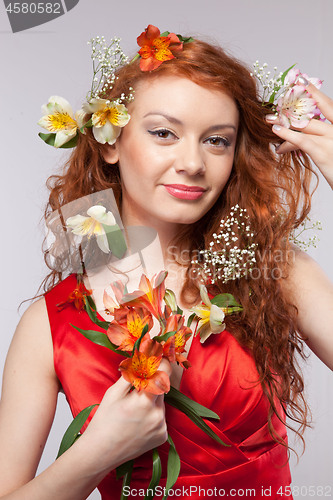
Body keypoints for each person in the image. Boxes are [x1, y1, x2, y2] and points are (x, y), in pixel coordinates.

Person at [0, 25, 333, 500]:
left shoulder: (274, 272)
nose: (193, 163)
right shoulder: (50, 325)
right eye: (163, 133)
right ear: (110, 141)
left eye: (217, 140)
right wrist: (96, 453)